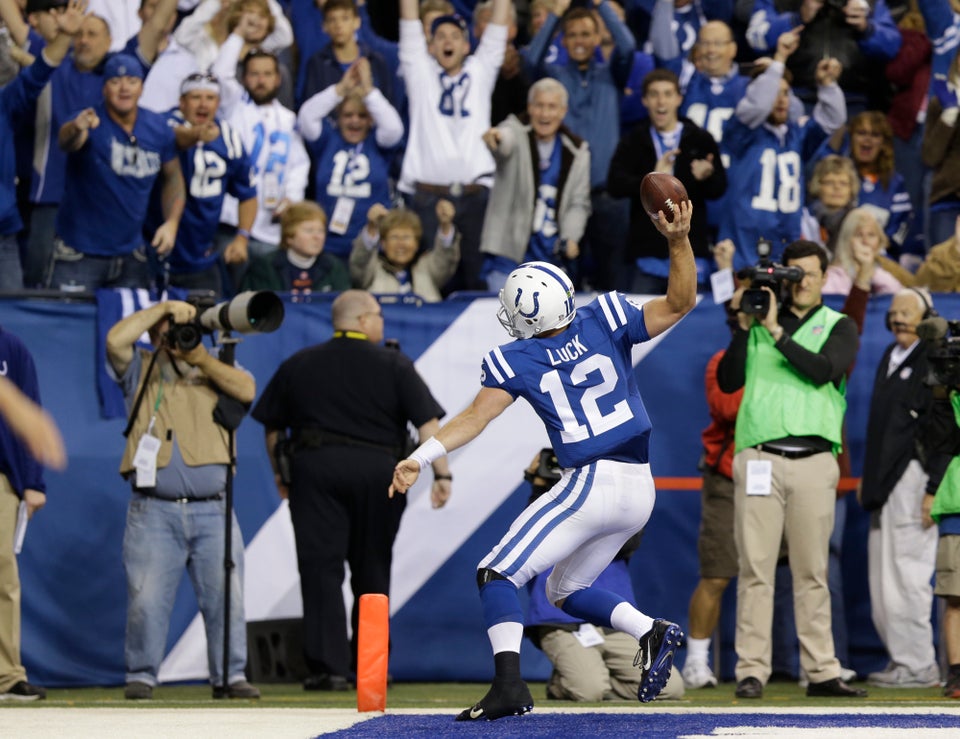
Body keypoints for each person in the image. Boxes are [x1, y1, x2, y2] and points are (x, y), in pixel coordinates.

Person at [390, 198, 697, 719]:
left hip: (591, 480)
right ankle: (649, 630)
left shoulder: (517, 355)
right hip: (640, 486)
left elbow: (474, 418)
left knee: (496, 573)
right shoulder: (605, 315)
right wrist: (678, 240)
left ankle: (508, 688)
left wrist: (422, 455)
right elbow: (681, 301)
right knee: (564, 591)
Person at [252, 289, 450, 691]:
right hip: (379, 474)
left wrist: (281, 473)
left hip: (314, 471)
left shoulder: (299, 364)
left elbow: (273, 427)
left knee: (320, 570)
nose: (381, 322)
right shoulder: (394, 363)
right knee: (372, 569)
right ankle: (369, 667)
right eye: (377, 315)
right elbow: (428, 424)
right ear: (361, 320)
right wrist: (441, 474)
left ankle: (328, 669)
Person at [717, 239, 865, 700]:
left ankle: (821, 670)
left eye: (805, 275)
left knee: (812, 571)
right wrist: (745, 326)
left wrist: (776, 331)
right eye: (790, 274)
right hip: (759, 455)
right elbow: (728, 381)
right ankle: (752, 671)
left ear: (825, 278)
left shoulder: (839, 325)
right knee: (756, 570)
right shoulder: (759, 325)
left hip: (815, 460)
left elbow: (823, 370)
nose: (796, 284)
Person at [105, 299, 259, 701]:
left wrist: (200, 358)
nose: (173, 335)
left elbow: (247, 390)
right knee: (146, 599)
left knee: (227, 595)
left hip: (215, 508)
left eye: (181, 327)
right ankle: (141, 674)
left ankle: (231, 674)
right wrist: (162, 308)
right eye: (167, 328)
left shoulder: (216, 366)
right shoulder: (141, 366)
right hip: (153, 508)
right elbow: (114, 339)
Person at [522, 449, 685, 702]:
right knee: (590, 690)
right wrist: (540, 486)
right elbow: (533, 540)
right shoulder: (548, 511)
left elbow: (630, 542)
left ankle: (588, 676)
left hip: (614, 621)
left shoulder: (614, 508)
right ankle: (573, 681)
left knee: (670, 688)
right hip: (561, 621)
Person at [397, 0, 510, 293]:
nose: (447, 41)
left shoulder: (481, 70)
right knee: (428, 284)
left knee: (477, 281)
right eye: (439, 37)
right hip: (427, 198)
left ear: (467, 46)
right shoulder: (419, 72)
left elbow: (498, 29)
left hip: (476, 197)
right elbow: (408, 20)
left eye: (455, 36)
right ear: (430, 46)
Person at [523, 0, 636, 291]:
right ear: (563, 40)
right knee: (562, 283)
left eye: (586, 34)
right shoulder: (556, 76)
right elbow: (530, 60)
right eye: (572, 35)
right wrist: (556, 15)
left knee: (613, 282)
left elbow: (627, 46)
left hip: (608, 195)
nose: (579, 41)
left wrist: (601, 7)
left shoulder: (611, 73)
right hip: (567, 197)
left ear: (598, 37)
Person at [859, 287, 940, 689]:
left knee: (908, 574)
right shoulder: (889, 358)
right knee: (883, 578)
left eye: (908, 311)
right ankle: (901, 659)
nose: (898, 318)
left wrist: (933, 487)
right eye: (893, 311)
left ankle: (920, 664)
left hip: (913, 478)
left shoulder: (934, 360)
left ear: (928, 317)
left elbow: (942, 431)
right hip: (884, 481)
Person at [50, 53, 185, 291]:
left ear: (142, 87)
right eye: (115, 81)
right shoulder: (90, 120)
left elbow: (173, 177)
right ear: (103, 88)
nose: (124, 88)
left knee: (131, 327)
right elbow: (67, 141)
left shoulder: (157, 128)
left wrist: (172, 223)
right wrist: (77, 128)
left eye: (132, 81)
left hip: (131, 255)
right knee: (67, 325)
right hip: (80, 253)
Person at [718, 28, 845, 269]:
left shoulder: (798, 135)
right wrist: (778, 61)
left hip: (786, 242)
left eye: (786, 93)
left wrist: (827, 85)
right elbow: (758, 105)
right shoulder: (741, 132)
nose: (780, 100)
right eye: (774, 93)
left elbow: (832, 120)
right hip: (743, 247)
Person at [607, 68, 727, 293]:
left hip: (691, 250)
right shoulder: (633, 140)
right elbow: (614, 184)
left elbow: (719, 188)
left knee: (692, 325)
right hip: (647, 255)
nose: (661, 101)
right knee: (642, 325)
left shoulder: (700, 139)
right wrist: (650, 179)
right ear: (644, 100)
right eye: (654, 94)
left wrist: (706, 177)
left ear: (679, 99)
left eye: (667, 94)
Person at [0, 322, 66, 702]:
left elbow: (30, 409)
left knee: (4, 576)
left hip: (1, 477)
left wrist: (33, 481)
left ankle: (6, 676)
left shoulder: (11, 346)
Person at [212, 43, 310, 292]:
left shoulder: (289, 119)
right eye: (254, 74)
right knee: (230, 294)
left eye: (267, 74)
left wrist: (292, 198)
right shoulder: (233, 107)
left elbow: (299, 165)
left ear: (278, 79)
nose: (261, 81)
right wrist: (239, 35)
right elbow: (221, 73)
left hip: (271, 225)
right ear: (244, 78)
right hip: (231, 222)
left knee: (265, 296)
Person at [0, 0, 84, 290]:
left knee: (12, 323)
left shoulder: (4, 103)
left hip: (2, 238)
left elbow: (40, 71)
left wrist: (64, 35)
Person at [478, 77, 591, 291]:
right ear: (529, 108)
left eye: (552, 107)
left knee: (545, 324)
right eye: (539, 105)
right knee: (503, 322)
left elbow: (579, 202)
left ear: (563, 111)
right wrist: (497, 138)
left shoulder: (576, 151)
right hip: (508, 256)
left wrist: (571, 237)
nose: (545, 114)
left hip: (550, 261)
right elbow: (505, 139)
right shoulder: (516, 131)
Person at [297, 57, 404, 265]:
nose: (354, 120)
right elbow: (306, 118)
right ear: (338, 118)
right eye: (348, 115)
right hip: (327, 246)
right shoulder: (328, 139)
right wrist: (340, 89)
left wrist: (369, 91)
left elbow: (394, 128)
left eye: (362, 116)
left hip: (371, 244)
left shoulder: (378, 142)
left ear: (370, 120)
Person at [160, 71, 258, 297]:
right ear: (181, 102)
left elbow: (248, 194)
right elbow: (174, 136)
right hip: (155, 251)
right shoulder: (165, 125)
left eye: (210, 98)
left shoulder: (229, 138)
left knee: (207, 323)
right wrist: (197, 135)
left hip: (201, 255)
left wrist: (242, 237)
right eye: (196, 97)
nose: (203, 104)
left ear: (218, 103)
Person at [745, 0, 901, 114]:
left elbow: (892, 47)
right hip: (794, 100)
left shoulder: (869, 4)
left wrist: (866, 28)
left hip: (854, 102)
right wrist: (796, 19)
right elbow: (756, 38)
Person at [350, 202, 460, 302]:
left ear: (417, 243)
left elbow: (445, 259)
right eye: (394, 237)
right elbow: (360, 261)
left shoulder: (427, 267)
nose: (400, 244)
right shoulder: (372, 269)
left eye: (406, 237)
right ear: (383, 244)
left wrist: (445, 226)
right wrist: (372, 227)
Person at [241, 200, 351, 294]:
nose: (317, 237)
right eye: (309, 231)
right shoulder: (265, 267)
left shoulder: (334, 267)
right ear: (289, 237)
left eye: (321, 231)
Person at [823, 207, 903, 296]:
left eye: (871, 235)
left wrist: (869, 270)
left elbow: (896, 294)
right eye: (858, 235)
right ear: (846, 240)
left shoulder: (884, 269)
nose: (865, 241)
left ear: (879, 241)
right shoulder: (832, 277)